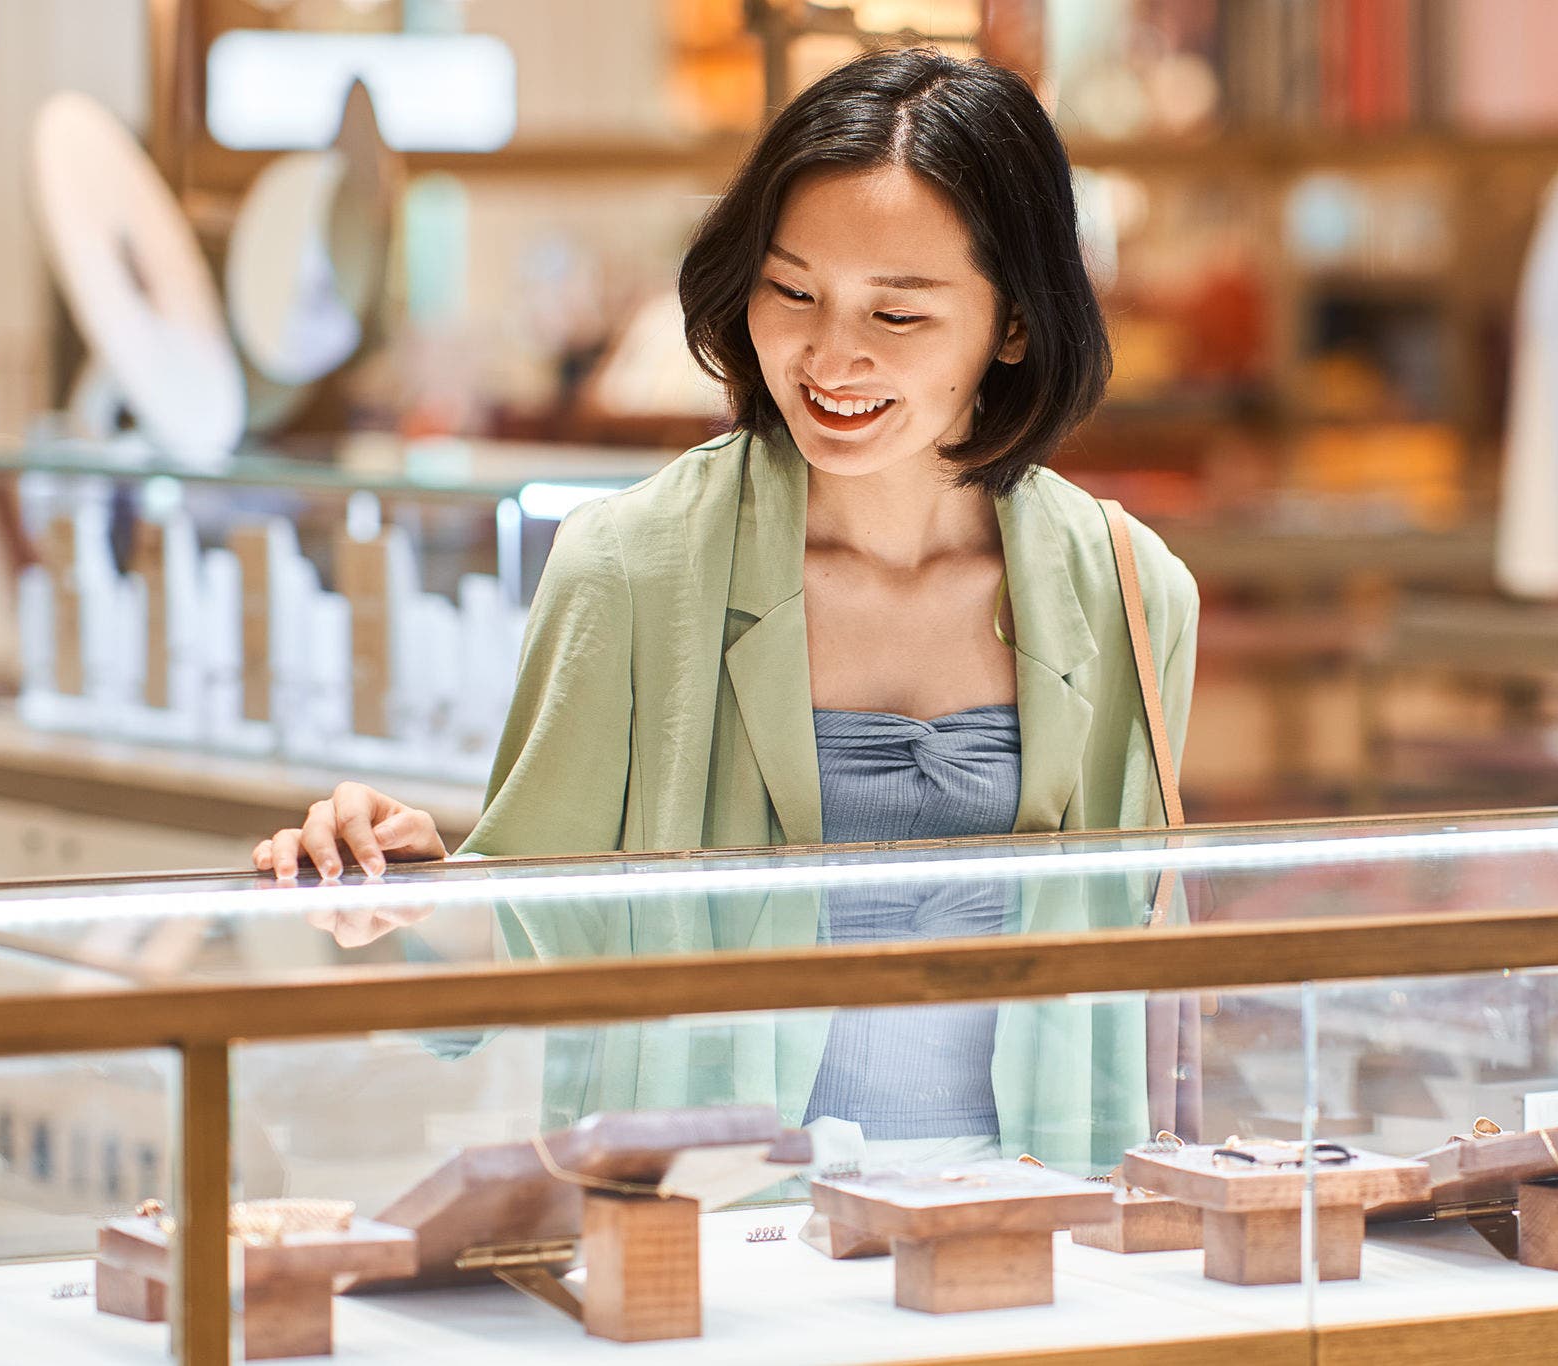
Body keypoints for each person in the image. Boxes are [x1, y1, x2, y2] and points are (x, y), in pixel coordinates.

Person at [253, 47, 1199, 1167]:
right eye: (791, 291)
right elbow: (522, 947)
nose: (828, 355)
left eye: (895, 315)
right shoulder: (632, 568)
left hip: (1036, 1240)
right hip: (725, 1249)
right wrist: (402, 892)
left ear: (1013, 323)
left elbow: (1141, 983)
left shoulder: (1130, 589)